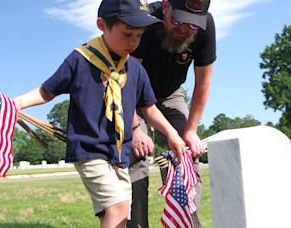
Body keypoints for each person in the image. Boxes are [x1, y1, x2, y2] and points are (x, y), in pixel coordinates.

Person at [14, 0, 187, 227]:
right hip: (89, 150)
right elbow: (47, 91)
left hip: (119, 154)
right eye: (127, 34)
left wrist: (172, 134)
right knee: (118, 207)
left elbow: (150, 108)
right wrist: (16, 103)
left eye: (139, 35)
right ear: (102, 25)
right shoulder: (80, 60)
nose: (134, 42)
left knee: (117, 216)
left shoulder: (135, 70)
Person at [127, 0, 216, 227]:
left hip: (171, 93)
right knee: (134, 157)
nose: (185, 29)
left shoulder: (205, 26)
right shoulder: (143, 22)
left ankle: (186, 223)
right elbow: (125, 83)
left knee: (186, 156)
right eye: (177, 20)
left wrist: (191, 130)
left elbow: (203, 83)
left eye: (192, 25)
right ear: (165, 6)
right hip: (134, 96)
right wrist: (135, 129)